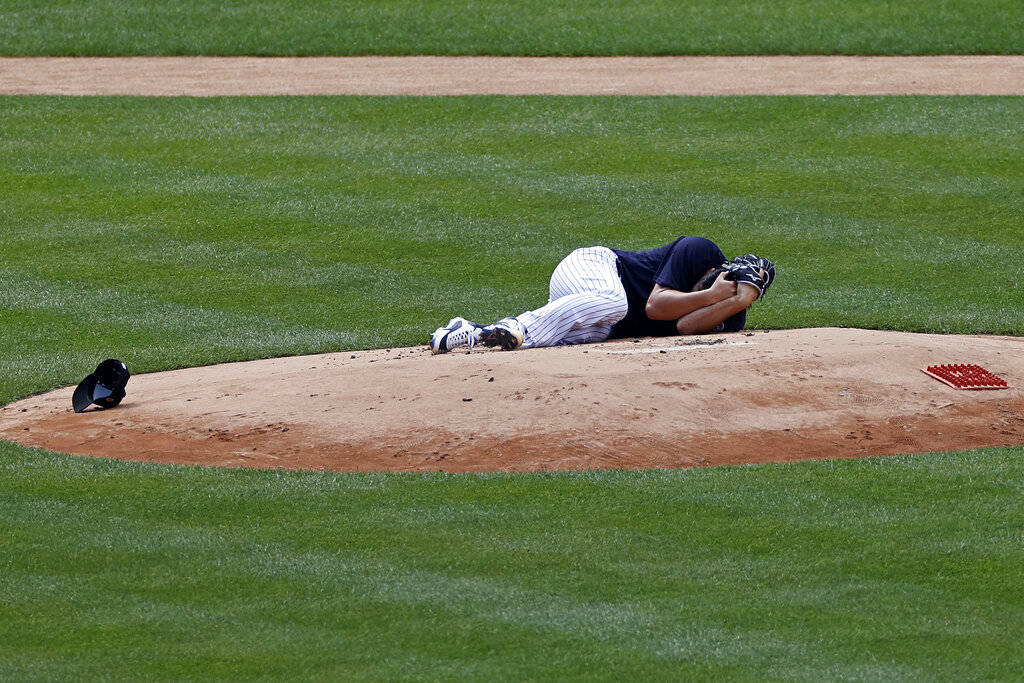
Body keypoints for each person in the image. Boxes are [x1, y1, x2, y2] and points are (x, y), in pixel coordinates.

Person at [429, 236, 774, 354]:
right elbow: (656, 307)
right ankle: (516, 322)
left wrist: (731, 301)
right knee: (617, 301)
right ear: (722, 270)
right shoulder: (699, 251)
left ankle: (472, 332)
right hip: (593, 268)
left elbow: (685, 327)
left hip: (599, 319)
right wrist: (714, 293)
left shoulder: (731, 311)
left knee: (557, 343)